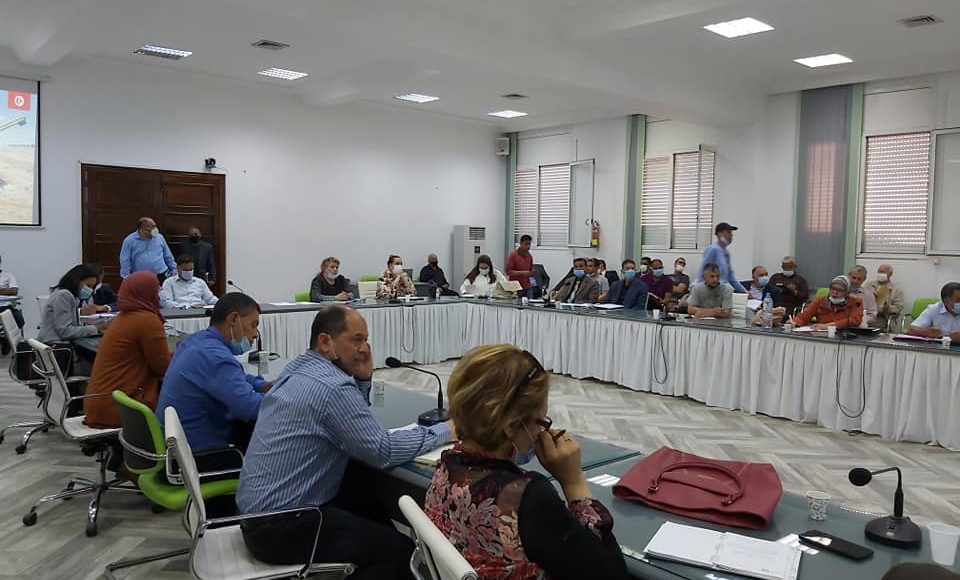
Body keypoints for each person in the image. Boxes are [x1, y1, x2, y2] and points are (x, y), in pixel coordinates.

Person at [237, 305, 453, 578]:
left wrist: (363, 379)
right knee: (401, 552)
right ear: (325, 341)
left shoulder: (298, 369)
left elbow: (349, 422)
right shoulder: (333, 387)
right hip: (281, 529)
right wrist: (446, 430)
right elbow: (382, 451)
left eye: (366, 340)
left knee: (365, 494)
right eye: (356, 339)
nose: (365, 349)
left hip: (255, 517)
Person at [425, 344, 628, 580]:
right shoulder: (527, 497)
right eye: (540, 422)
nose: (542, 431)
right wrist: (573, 481)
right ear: (512, 427)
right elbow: (611, 574)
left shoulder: (447, 464)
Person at [156, 293, 270, 452]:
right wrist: (286, 398)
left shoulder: (196, 340)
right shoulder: (215, 356)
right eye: (253, 325)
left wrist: (262, 386)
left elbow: (234, 378)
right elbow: (249, 408)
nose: (255, 334)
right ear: (234, 319)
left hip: (174, 443)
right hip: (198, 453)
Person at [83, 272, 171, 428]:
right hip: (122, 408)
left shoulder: (122, 318)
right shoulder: (147, 320)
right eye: (156, 290)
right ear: (147, 292)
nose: (159, 294)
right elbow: (162, 367)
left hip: (101, 403)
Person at [37, 264, 108, 366]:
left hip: (60, 347)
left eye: (92, 287)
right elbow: (65, 331)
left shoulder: (71, 297)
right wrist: (96, 328)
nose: (90, 290)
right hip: (56, 350)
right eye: (88, 286)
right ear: (76, 281)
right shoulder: (63, 295)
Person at [119, 217, 177, 283]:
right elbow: (125, 261)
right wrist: (126, 278)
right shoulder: (129, 240)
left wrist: (174, 270)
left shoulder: (160, 237)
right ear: (143, 229)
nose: (155, 229)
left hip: (162, 274)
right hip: (141, 277)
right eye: (153, 227)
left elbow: (168, 256)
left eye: (155, 226)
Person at [793, 275, 863, 330]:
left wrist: (828, 326)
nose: (835, 292)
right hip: (823, 336)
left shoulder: (856, 302)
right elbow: (803, 317)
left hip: (846, 336)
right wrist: (795, 322)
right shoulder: (820, 301)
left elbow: (855, 321)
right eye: (833, 288)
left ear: (847, 293)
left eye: (840, 290)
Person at [697, 222, 746, 292]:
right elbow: (703, 271)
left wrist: (744, 291)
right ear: (719, 234)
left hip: (722, 291)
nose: (731, 235)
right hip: (710, 290)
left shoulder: (726, 253)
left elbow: (731, 277)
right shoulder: (713, 249)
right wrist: (699, 290)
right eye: (728, 232)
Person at [867, 264, 905, 330]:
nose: (879, 274)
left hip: (883, 317)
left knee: (877, 325)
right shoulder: (869, 285)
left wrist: (887, 306)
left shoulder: (896, 289)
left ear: (890, 274)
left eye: (882, 272)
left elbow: (898, 309)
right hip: (868, 315)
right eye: (878, 272)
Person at [506, 235, 536, 299]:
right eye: (526, 244)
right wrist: (523, 273)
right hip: (515, 288)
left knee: (528, 304)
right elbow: (508, 271)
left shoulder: (529, 256)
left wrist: (532, 272)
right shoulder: (513, 255)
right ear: (521, 243)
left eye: (529, 244)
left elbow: (530, 271)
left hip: (527, 287)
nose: (528, 246)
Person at [0, 254, 24, 331]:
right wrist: (5, 290)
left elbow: (14, 291)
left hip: (5, 307)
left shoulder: (8, 276)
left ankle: (9, 336)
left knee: (19, 319)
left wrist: (9, 291)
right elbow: (10, 291)